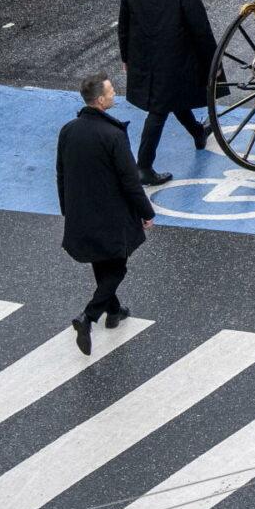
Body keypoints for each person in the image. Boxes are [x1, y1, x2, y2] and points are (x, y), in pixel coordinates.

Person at [56, 73, 152, 354]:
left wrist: (67, 209)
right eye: (110, 91)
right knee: (118, 266)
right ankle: (89, 316)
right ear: (100, 100)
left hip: (81, 211)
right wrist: (146, 212)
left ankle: (114, 311)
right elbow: (130, 180)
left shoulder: (68, 130)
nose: (114, 94)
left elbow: (61, 173)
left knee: (101, 261)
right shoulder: (113, 135)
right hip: (111, 214)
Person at [116, 0, 215, 185]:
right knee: (159, 109)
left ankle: (197, 132)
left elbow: (124, 28)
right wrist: (213, 62)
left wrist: (126, 58)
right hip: (175, 61)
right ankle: (144, 166)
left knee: (168, 99)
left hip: (144, 59)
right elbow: (201, 30)